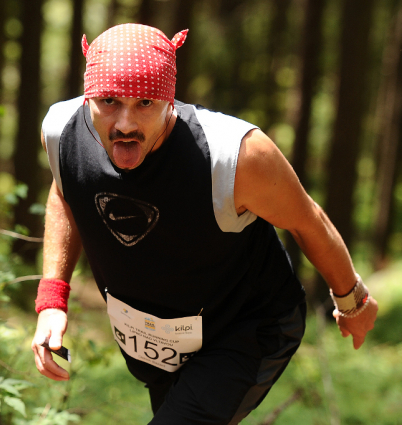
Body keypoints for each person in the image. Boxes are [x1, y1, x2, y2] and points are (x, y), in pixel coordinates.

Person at [31, 23, 378, 424]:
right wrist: (52, 300)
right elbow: (64, 194)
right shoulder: (62, 131)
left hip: (245, 326)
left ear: (170, 99)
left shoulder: (236, 156)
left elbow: (308, 221)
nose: (125, 123)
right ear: (89, 94)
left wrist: (352, 301)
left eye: (145, 103)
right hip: (158, 338)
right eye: (109, 101)